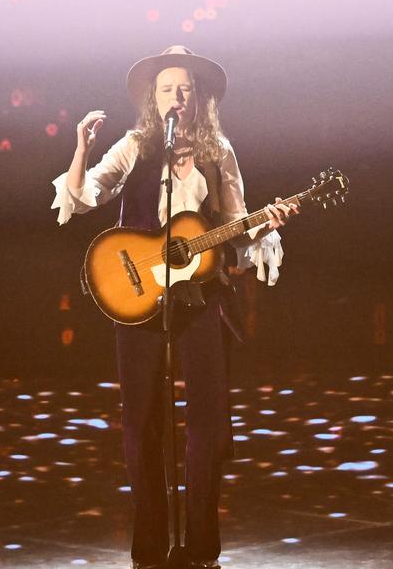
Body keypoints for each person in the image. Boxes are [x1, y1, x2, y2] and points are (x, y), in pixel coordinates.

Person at [52, 46, 297, 569]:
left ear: (198, 96)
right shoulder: (137, 145)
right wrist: (80, 147)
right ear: (153, 97)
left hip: (202, 298)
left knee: (208, 424)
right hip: (140, 297)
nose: (175, 97)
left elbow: (236, 218)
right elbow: (85, 194)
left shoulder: (219, 151)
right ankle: (149, 549)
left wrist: (264, 223)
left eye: (184, 88)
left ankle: (202, 548)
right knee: (140, 423)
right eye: (166, 89)